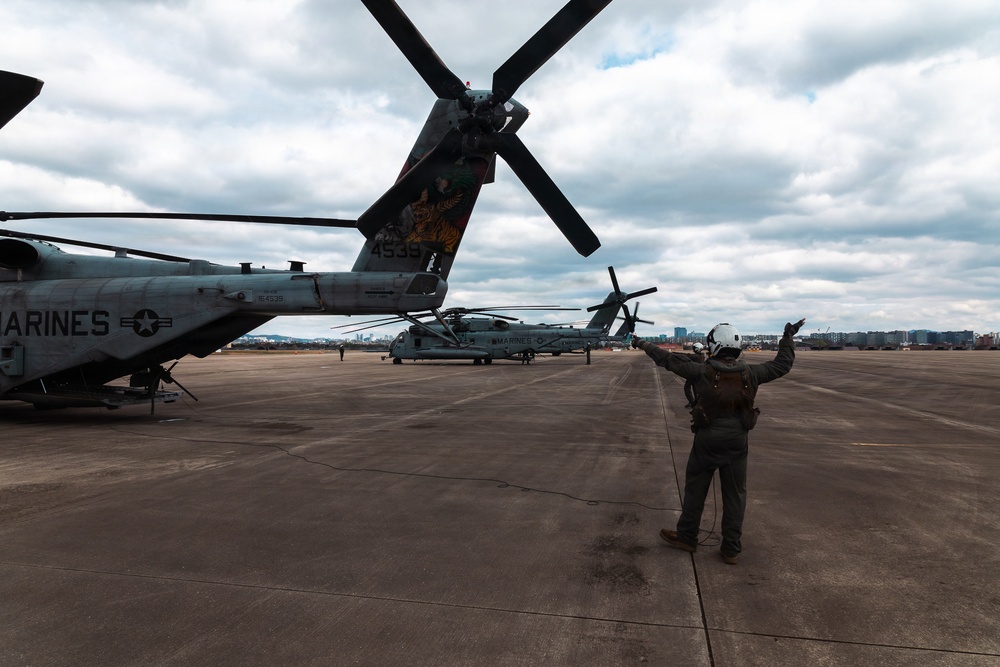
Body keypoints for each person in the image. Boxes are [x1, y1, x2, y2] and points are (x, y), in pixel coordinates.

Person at [632, 318, 805, 564]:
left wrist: (641, 342)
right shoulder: (752, 373)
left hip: (706, 442)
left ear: (713, 345)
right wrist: (788, 337)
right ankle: (731, 548)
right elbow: (782, 364)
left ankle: (687, 536)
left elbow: (666, 359)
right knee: (735, 495)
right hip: (737, 443)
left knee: (695, 490)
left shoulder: (702, 371)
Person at [683, 342, 708, 408]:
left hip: (693, 375)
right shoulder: (702, 356)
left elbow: (688, 356)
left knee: (687, 388)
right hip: (697, 375)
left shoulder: (697, 357)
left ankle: (692, 402)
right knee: (695, 389)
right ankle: (695, 402)